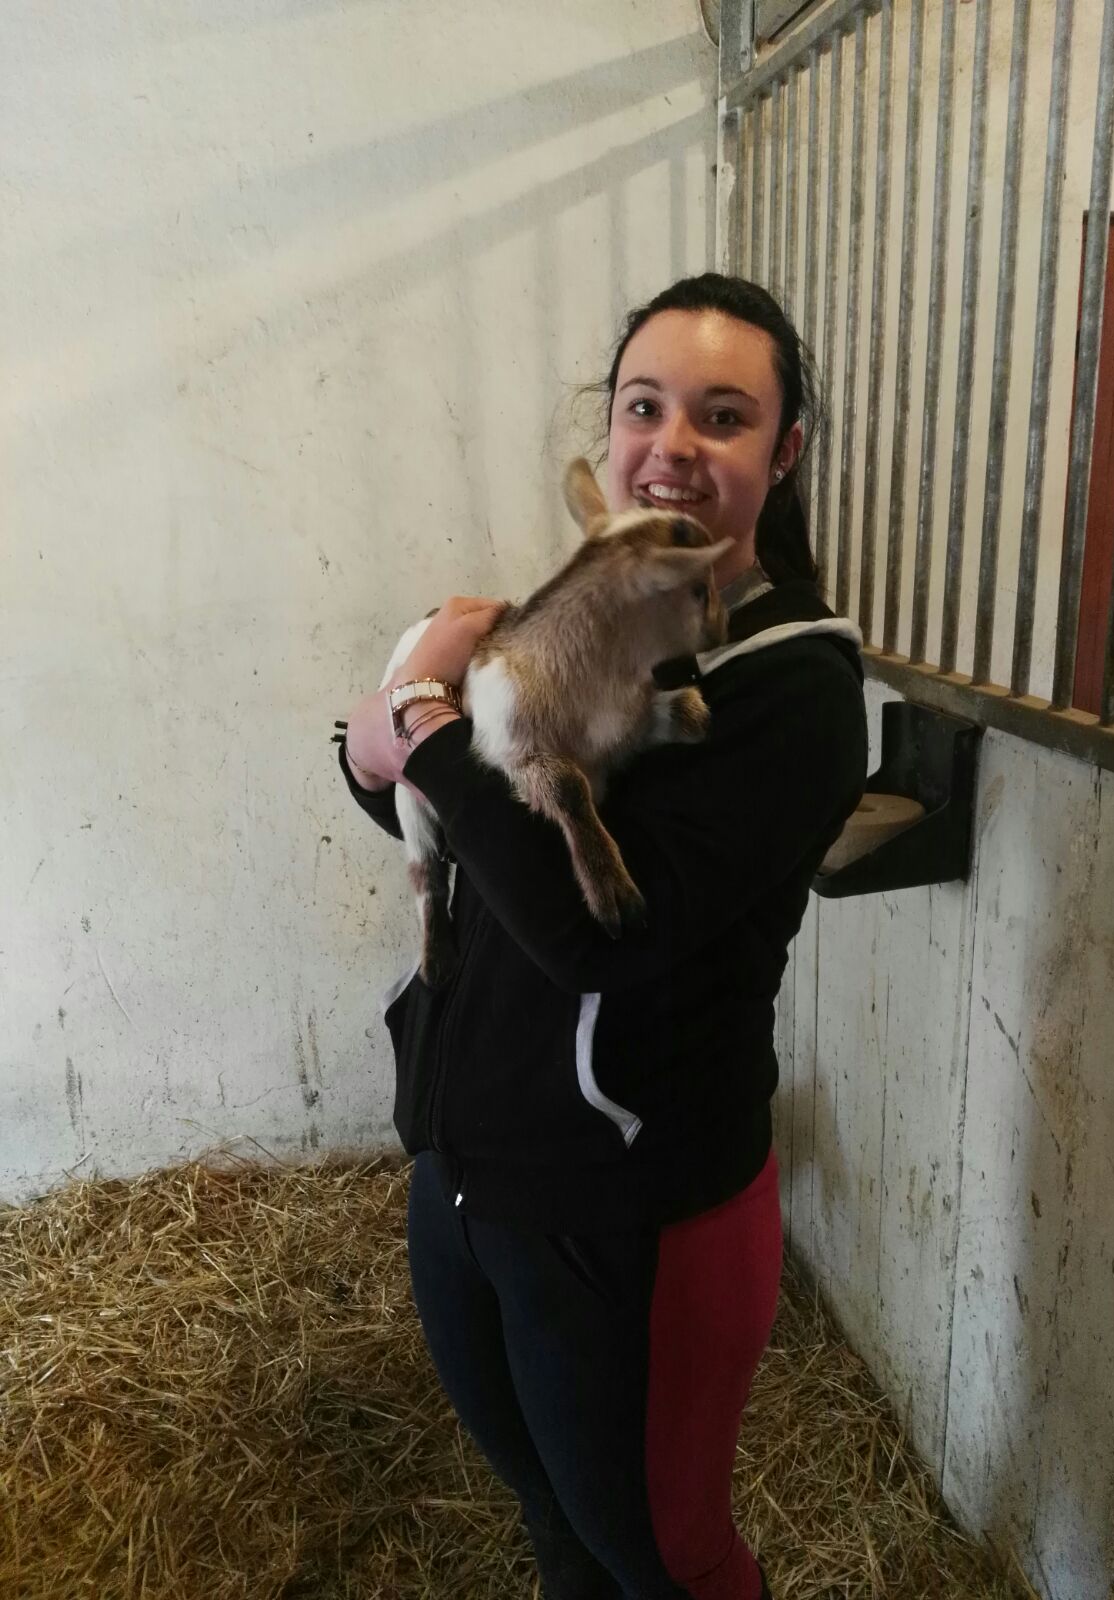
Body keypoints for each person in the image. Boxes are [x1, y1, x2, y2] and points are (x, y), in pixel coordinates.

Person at [339, 274, 867, 1600]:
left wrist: (426, 723)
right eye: (645, 406)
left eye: (724, 415)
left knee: (666, 1559)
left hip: (627, 1217)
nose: (672, 443)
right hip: (469, 1177)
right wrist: (373, 755)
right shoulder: (591, 610)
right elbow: (471, 831)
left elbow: (598, 937)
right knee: (557, 1522)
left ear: (784, 452)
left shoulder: (794, 685)